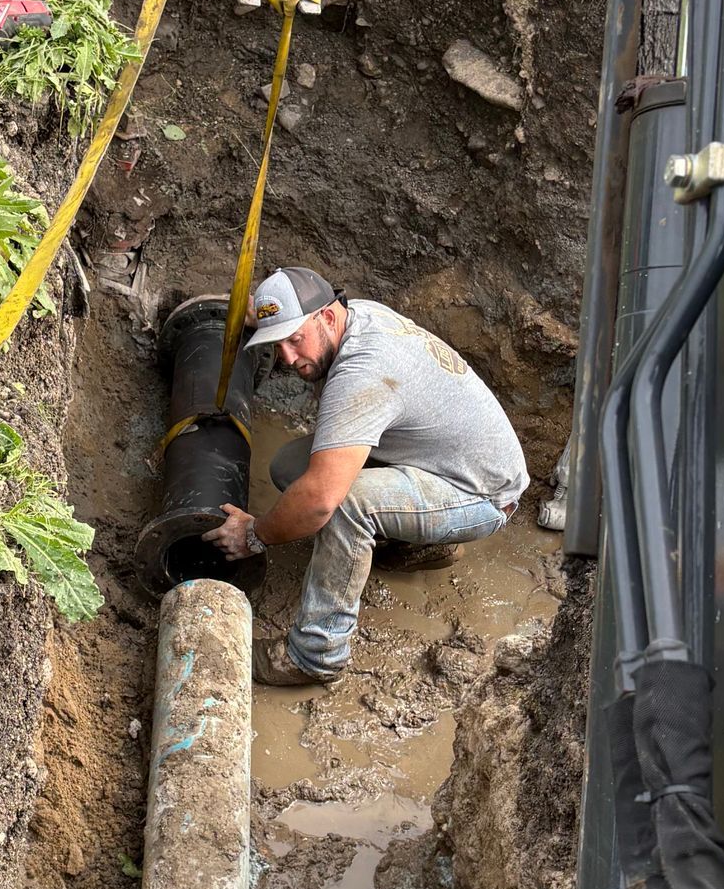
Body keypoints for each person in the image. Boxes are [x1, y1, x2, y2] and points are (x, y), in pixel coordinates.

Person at [207, 267, 530, 688]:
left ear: (325, 317)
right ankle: (415, 547)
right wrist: (264, 317)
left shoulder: (363, 371)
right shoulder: (355, 316)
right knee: (290, 469)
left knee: (342, 502)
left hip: (480, 494)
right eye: (276, 343)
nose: (286, 357)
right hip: (445, 460)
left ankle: (314, 655)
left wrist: (254, 534)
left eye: (293, 339)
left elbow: (321, 499)